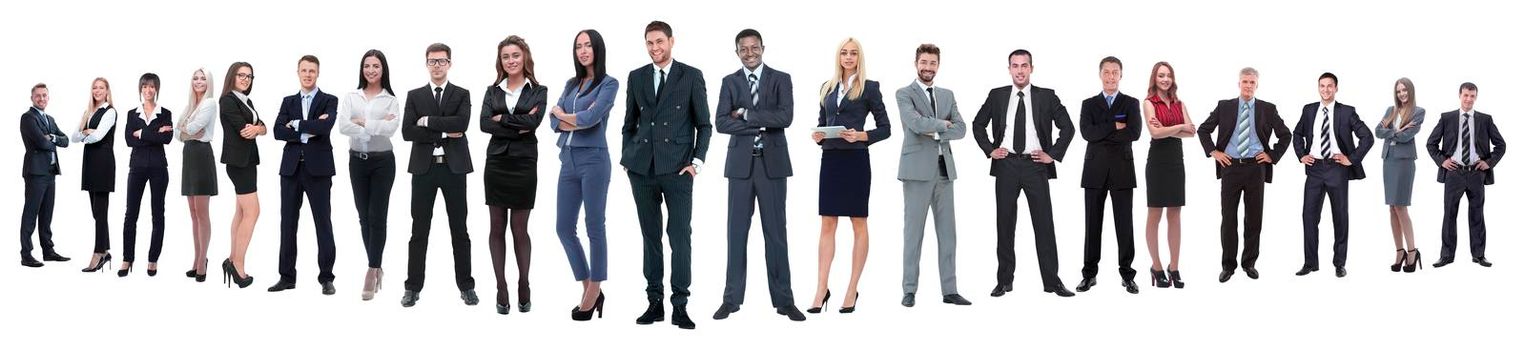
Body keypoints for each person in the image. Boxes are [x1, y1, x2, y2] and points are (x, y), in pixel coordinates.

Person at [621, 21, 712, 330]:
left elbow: (704, 124)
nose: (654, 48)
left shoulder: (691, 75)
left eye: (659, 41)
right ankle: (654, 302)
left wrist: (696, 162)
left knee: (680, 237)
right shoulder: (636, 77)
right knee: (650, 238)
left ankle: (681, 305)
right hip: (642, 170)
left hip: (677, 169)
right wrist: (628, 160)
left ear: (672, 41)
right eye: (649, 43)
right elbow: (628, 123)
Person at [712, 29, 806, 321]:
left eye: (754, 47)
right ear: (737, 52)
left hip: (773, 166)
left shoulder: (781, 79)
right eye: (744, 49)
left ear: (763, 48)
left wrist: (747, 115)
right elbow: (720, 122)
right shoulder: (730, 82)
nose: (750, 53)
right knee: (736, 234)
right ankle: (731, 299)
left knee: (776, 235)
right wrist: (760, 125)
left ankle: (784, 300)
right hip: (740, 168)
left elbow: (785, 117)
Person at [971, 49, 1075, 298]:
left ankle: (1053, 282)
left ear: (1031, 68)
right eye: (1015, 66)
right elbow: (977, 124)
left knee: (1044, 225)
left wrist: (1053, 154)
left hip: (1036, 165)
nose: (1019, 70)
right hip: (1006, 164)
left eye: (1024, 65)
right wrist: (990, 150)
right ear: (1009, 69)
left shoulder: (1047, 96)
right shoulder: (997, 96)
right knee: (1005, 224)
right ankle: (1004, 281)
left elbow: (1068, 128)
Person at [808, 37, 891, 313]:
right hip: (830, 158)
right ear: (838, 56)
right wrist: (818, 135)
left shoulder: (870, 87)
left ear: (859, 57)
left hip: (856, 160)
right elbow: (822, 122)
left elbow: (885, 128)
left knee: (858, 223)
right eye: (844, 52)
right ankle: (821, 288)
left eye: (853, 53)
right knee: (827, 223)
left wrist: (861, 136)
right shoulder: (827, 87)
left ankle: (852, 288)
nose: (848, 57)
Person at [400, 43, 477, 307]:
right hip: (424, 169)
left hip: (454, 168)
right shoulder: (414, 95)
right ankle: (412, 287)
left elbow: (463, 124)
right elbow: (407, 132)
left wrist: (428, 122)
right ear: (426, 64)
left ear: (449, 63)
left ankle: (466, 286)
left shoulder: (462, 93)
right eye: (432, 61)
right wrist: (445, 132)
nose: (437, 66)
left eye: (442, 61)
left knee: (460, 229)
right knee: (419, 229)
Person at [1197, 67, 1291, 283]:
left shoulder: (1267, 109)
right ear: (1238, 83)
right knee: (1228, 218)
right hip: (1230, 167)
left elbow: (1286, 135)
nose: (1248, 85)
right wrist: (1214, 152)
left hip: (1255, 168)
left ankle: (1249, 263)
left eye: (1252, 82)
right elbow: (1203, 129)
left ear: (1257, 85)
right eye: (1244, 81)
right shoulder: (1225, 106)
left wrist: (1271, 155)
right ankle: (1228, 265)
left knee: (1254, 218)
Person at [894, 43, 970, 307]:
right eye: (924, 62)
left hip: (944, 172)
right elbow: (913, 124)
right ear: (916, 63)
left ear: (939, 65)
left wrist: (933, 128)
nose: (928, 67)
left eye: (933, 63)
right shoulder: (904, 93)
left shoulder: (948, 95)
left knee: (948, 234)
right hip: (916, 173)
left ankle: (950, 290)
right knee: (913, 234)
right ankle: (909, 290)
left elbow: (961, 129)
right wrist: (942, 124)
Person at [552, 29, 618, 322]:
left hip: (594, 159)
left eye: (588, 45)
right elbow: (552, 121)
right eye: (578, 46)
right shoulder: (571, 83)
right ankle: (587, 284)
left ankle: (594, 290)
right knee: (563, 228)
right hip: (568, 160)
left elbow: (592, 119)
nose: (583, 51)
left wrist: (564, 114)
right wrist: (568, 119)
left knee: (595, 226)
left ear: (597, 49)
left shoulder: (609, 83)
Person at [480, 35, 547, 315]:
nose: (511, 61)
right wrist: (518, 124)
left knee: (520, 228)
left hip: (523, 164)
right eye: (506, 57)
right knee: (496, 227)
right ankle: (501, 287)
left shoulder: (539, 90)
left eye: (515, 55)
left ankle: (524, 283)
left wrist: (502, 119)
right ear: (501, 61)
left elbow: (534, 123)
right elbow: (484, 124)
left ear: (525, 58)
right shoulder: (492, 90)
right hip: (496, 163)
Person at [269, 55, 340, 294]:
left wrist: (296, 124)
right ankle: (287, 276)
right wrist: (309, 128)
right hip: (290, 170)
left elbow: (325, 127)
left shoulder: (329, 100)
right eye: (304, 70)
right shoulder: (288, 101)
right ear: (297, 72)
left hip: (319, 170)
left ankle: (327, 278)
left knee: (323, 223)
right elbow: (278, 131)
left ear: (318, 73)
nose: (308, 74)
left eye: (312, 71)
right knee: (287, 224)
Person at [1292, 72, 1373, 278]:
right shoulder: (1309, 110)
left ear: (1336, 88)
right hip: (1315, 169)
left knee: (1340, 217)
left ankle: (1339, 263)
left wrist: (1351, 159)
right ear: (1318, 88)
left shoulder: (1347, 112)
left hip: (1337, 169)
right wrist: (1302, 155)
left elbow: (1367, 137)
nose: (1326, 90)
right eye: (1322, 86)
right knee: (1309, 217)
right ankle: (1310, 263)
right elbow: (1297, 133)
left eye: (1330, 86)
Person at [336, 49, 402, 300]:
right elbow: (343, 125)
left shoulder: (391, 100)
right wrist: (372, 126)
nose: (371, 70)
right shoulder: (351, 96)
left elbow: (391, 129)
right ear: (361, 69)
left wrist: (361, 122)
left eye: (376, 66)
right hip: (357, 162)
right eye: (367, 66)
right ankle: (376, 264)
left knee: (377, 215)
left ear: (383, 69)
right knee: (363, 216)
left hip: (383, 162)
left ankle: (372, 269)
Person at [1075, 56, 1143, 294]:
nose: (1111, 76)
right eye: (1107, 72)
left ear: (1121, 75)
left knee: (1125, 225)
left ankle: (1128, 274)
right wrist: (1114, 126)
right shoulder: (1088, 104)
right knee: (1092, 225)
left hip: (1123, 171)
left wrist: (1101, 130)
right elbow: (1086, 133)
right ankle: (1089, 274)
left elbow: (1134, 133)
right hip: (1094, 171)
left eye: (1115, 72)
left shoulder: (1131, 103)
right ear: (1100, 74)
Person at [1425, 82, 1505, 269]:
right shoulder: (1447, 118)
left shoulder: (1485, 119)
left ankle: (1479, 255)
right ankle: (1446, 255)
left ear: (1476, 97)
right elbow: (1431, 144)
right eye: (1466, 95)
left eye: (1472, 96)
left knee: (1477, 214)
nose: (1469, 99)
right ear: (1459, 95)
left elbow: (1501, 145)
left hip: (1476, 173)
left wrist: (1488, 162)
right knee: (1449, 214)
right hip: (1454, 173)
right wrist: (1442, 161)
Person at [1141, 62, 1195, 288]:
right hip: (1157, 161)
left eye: (1168, 76)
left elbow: (1191, 132)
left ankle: (1174, 267)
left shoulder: (1179, 103)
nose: (1165, 79)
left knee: (1175, 213)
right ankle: (1156, 266)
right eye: (1161, 75)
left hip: (1176, 161)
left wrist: (1170, 128)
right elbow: (1155, 132)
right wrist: (1178, 126)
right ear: (1154, 78)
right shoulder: (1148, 103)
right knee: (1155, 213)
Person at [120, 73, 175, 277]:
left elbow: (167, 138)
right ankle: (127, 258)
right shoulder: (131, 114)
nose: (148, 90)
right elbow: (128, 140)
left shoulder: (165, 113)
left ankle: (153, 259)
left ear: (157, 89)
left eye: (152, 87)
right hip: (137, 167)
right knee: (130, 214)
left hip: (159, 167)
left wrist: (142, 133)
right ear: (140, 89)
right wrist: (155, 134)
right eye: (145, 87)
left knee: (157, 214)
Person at [219, 61, 266, 288]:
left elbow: (261, 126)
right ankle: (238, 265)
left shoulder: (245, 100)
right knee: (253, 211)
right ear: (232, 77)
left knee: (241, 211)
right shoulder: (227, 100)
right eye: (241, 75)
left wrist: (259, 128)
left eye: (249, 76)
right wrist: (257, 128)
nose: (245, 79)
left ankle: (231, 259)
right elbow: (245, 130)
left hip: (248, 161)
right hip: (238, 162)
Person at [1373, 78, 1425, 273]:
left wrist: (1393, 131)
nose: (1402, 94)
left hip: (1404, 162)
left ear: (1410, 91)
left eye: (1404, 90)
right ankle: (1399, 251)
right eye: (1399, 91)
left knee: (1401, 207)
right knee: (1392, 208)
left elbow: (1406, 137)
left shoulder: (1418, 112)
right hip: (1388, 160)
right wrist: (1398, 129)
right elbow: (1377, 132)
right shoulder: (1390, 111)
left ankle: (1412, 251)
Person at [19, 83, 70, 268]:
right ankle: (26, 254)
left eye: (44, 95)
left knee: (47, 214)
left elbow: (65, 140)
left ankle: (48, 251)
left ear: (48, 98)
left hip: (50, 172)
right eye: (38, 96)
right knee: (31, 214)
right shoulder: (27, 118)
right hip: (35, 173)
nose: (41, 98)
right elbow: (41, 143)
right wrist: (48, 139)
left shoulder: (50, 119)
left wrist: (53, 137)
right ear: (32, 98)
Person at [177, 68, 219, 282]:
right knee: (193, 214)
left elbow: (193, 128)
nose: (199, 81)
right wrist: (186, 130)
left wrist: (186, 129)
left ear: (209, 82)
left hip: (202, 156)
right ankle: (196, 259)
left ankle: (203, 260)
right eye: (195, 77)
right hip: (189, 155)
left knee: (202, 213)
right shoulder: (190, 105)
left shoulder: (210, 103)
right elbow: (179, 133)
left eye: (203, 78)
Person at [74, 78, 118, 273]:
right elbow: (74, 137)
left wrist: (87, 133)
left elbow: (98, 136)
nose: (97, 90)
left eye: (101, 87)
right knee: (96, 212)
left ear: (107, 91)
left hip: (103, 164)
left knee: (100, 211)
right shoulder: (88, 112)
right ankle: (105, 250)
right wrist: (86, 131)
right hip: (90, 164)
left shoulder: (110, 112)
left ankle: (98, 252)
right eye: (94, 87)